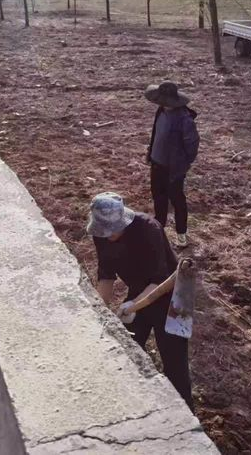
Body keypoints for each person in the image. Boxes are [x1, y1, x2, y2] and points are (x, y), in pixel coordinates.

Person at [87, 192, 194, 411]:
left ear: (123, 221)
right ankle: (140, 404)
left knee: (175, 365)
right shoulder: (100, 234)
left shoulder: (149, 229)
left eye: (113, 231)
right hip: (139, 291)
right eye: (104, 232)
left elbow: (159, 280)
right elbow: (106, 276)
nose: (108, 236)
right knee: (126, 346)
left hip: (171, 295)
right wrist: (98, 313)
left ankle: (184, 413)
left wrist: (133, 306)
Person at [145, 82, 199, 248]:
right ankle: (159, 228)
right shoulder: (161, 111)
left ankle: (181, 234)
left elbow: (192, 144)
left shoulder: (184, 119)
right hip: (157, 163)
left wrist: (183, 163)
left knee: (177, 199)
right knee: (158, 196)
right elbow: (156, 133)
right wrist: (151, 153)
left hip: (173, 168)